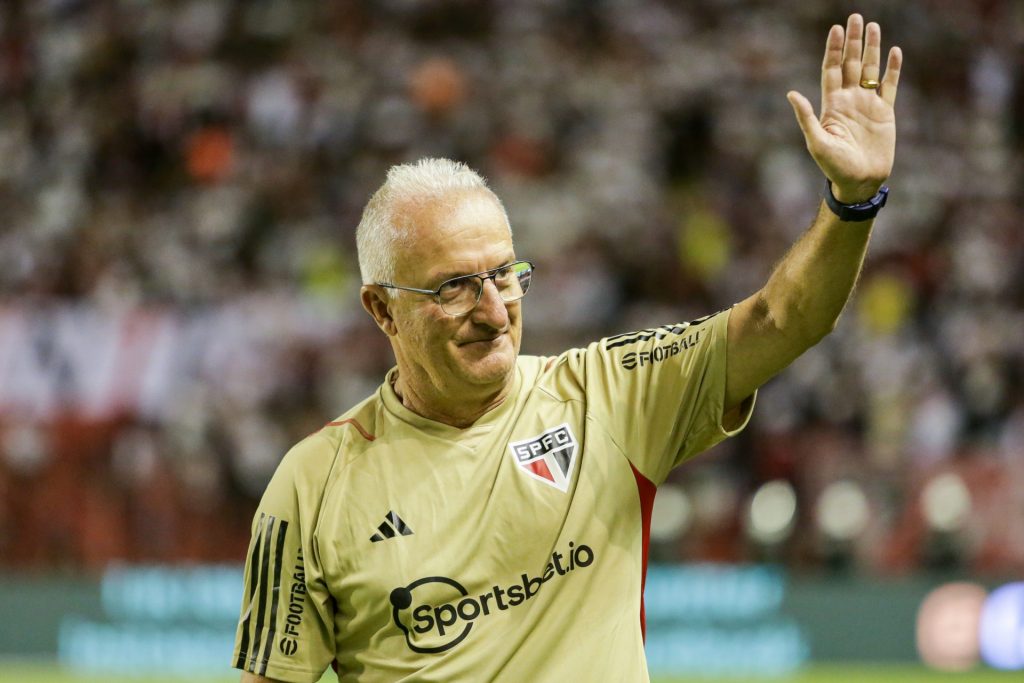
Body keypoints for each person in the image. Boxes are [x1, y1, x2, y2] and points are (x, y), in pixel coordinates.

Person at [233, 13, 902, 682]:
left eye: (505, 275)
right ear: (382, 308)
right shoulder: (313, 484)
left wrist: (852, 201)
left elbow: (784, 319)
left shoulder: (607, 395)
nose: (494, 311)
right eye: (456, 288)